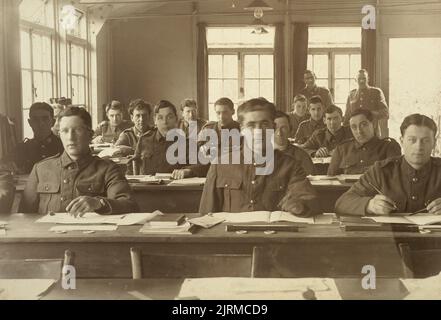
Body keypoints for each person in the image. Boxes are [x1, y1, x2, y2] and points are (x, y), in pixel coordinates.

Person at [199, 98, 321, 217]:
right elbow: (206, 216)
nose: (258, 131)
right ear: (241, 129)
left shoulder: (290, 165)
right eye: (251, 125)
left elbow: (312, 202)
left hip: (276, 236)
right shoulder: (220, 165)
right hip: (232, 236)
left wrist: (300, 206)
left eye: (264, 124)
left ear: (273, 127)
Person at [19, 107, 138, 216]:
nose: (70, 137)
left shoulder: (108, 169)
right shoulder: (40, 169)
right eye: (65, 131)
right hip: (49, 238)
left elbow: (130, 205)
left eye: (77, 130)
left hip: (89, 237)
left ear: (90, 135)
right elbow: (24, 216)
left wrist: (99, 203)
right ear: (59, 135)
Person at [336, 114, 441, 216]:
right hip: (390, 233)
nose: (418, 147)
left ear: (434, 143)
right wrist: (369, 205)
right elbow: (342, 203)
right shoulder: (381, 170)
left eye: (425, 140)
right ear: (402, 141)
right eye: (412, 140)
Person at [171, 97, 240, 179]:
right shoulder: (208, 129)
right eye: (218, 113)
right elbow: (200, 159)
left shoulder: (241, 130)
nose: (221, 117)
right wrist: (190, 170)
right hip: (209, 175)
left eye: (225, 112)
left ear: (233, 111)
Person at [328, 109, 401, 175]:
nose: (359, 131)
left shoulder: (389, 147)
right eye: (354, 127)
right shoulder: (341, 150)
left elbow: (394, 177)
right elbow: (331, 181)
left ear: (374, 124)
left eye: (363, 125)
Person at [133, 100, 186, 175]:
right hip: (146, 186)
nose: (165, 122)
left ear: (176, 119)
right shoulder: (144, 140)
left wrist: (187, 171)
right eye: (160, 118)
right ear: (155, 120)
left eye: (169, 117)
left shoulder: (185, 143)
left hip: (173, 186)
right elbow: (135, 165)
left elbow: (199, 166)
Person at [14, 102, 64, 174]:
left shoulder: (63, 146)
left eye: (45, 119)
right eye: (35, 119)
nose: (41, 124)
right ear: (30, 123)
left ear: (53, 122)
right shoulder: (22, 148)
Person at [344, 69, 389, 137]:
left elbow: (385, 112)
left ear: (368, 79)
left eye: (364, 78)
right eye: (359, 79)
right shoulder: (351, 94)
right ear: (356, 80)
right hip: (355, 134)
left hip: (372, 131)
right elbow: (347, 116)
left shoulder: (376, 92)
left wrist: (369, 113)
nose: (362, 81)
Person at [274, 110, 314, 175]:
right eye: (275, 128)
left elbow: (311, 182)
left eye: (283, 128)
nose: (279, 133)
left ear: (290, 130)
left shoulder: (302, 156)